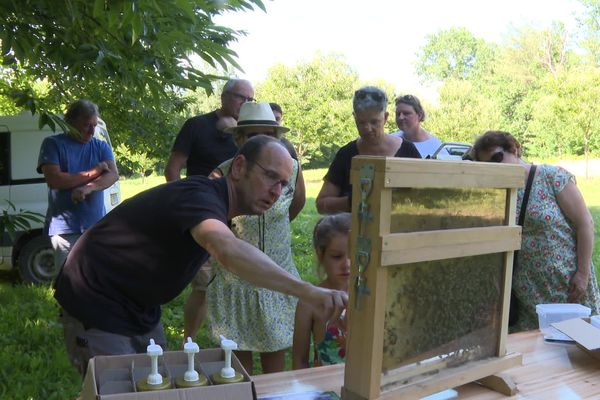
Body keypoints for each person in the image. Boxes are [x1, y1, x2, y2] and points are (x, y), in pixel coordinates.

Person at [54, 135, 345, 377]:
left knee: (151, 385)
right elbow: (227, 249)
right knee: (116, 388)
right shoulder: (200, 197)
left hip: (140, 307)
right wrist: (306, 291)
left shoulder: (218, 205)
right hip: (96, 298)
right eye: (270, 176)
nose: (276, 191)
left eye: (283, 184)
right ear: (239, 167)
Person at [188, 102, 305, 374]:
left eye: (268, 134)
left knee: (275, 358)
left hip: (276, 273)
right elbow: (213, 219)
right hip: (234, 280)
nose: (261, 139)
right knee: (238, 366)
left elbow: (295, 205)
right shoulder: (221, 173)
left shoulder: (293, 169)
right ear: (239, 139)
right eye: (252, 135)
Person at [471, 131, 600, 331]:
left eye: (497, 158)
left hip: (568, 284)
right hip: (527, 291)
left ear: (514, 150)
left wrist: (582, 274)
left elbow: (586, 224)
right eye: (487, 164)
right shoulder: (496, 195)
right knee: (537, 351)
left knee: (579, 345)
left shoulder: (551, 177)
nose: (494, 167)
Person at [37, 99, 119, 275]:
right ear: (70, 122)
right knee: (68, 281)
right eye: (86, 125)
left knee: (97, 279)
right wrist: (95, 171)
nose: (91, 131)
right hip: (64, 230)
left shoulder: (100, 146)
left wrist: (88, 188)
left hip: (95, 226)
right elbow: (55, 180)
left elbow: (112, 174)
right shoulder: (53, 144)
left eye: (94, 125)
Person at [316, 86, 421, 214]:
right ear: (354, 117)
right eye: (361, 122)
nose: (367, 128)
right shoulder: (347, 154)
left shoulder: (407, 151)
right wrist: (355, 201)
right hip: (354, 231)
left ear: (386, 117)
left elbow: (423, 199)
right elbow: (321, 204)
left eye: (374, 122)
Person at [164, 78, 254, 180]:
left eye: (250, 100)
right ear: (223, 97)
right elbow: (172, 169)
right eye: (240, 97)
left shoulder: (251, 132)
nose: (246, 103)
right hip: (200, 193)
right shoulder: (196, 125)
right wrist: (182, 195)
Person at [293, 213, 351, 369]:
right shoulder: (309, 302)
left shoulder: (371, 297)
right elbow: (299, 361)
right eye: (337, 256)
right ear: (321, 254)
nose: (347, 264)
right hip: (325, 389)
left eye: (354, 255)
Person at [391, 94, 444, 159]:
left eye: (406, 113)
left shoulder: (436, 147)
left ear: (419, 115)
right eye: (398, 114)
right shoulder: (390, 141)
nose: (401, 117)